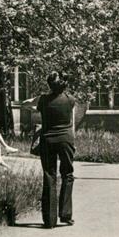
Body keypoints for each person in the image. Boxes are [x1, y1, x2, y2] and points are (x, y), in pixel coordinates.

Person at [37, 71, 76, 228]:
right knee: (67, 174)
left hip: (47, 139)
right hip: (65, 139)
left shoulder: (43, 100)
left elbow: (37, 112)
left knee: (49, 175)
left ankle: (49, 219)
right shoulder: (70, 99)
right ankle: (65, 214)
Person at [0, 67, 15, 137]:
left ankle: (7, 131)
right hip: (1, 101)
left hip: (5, 101)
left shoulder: (6, 89)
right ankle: (4, 131)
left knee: (6, 113)